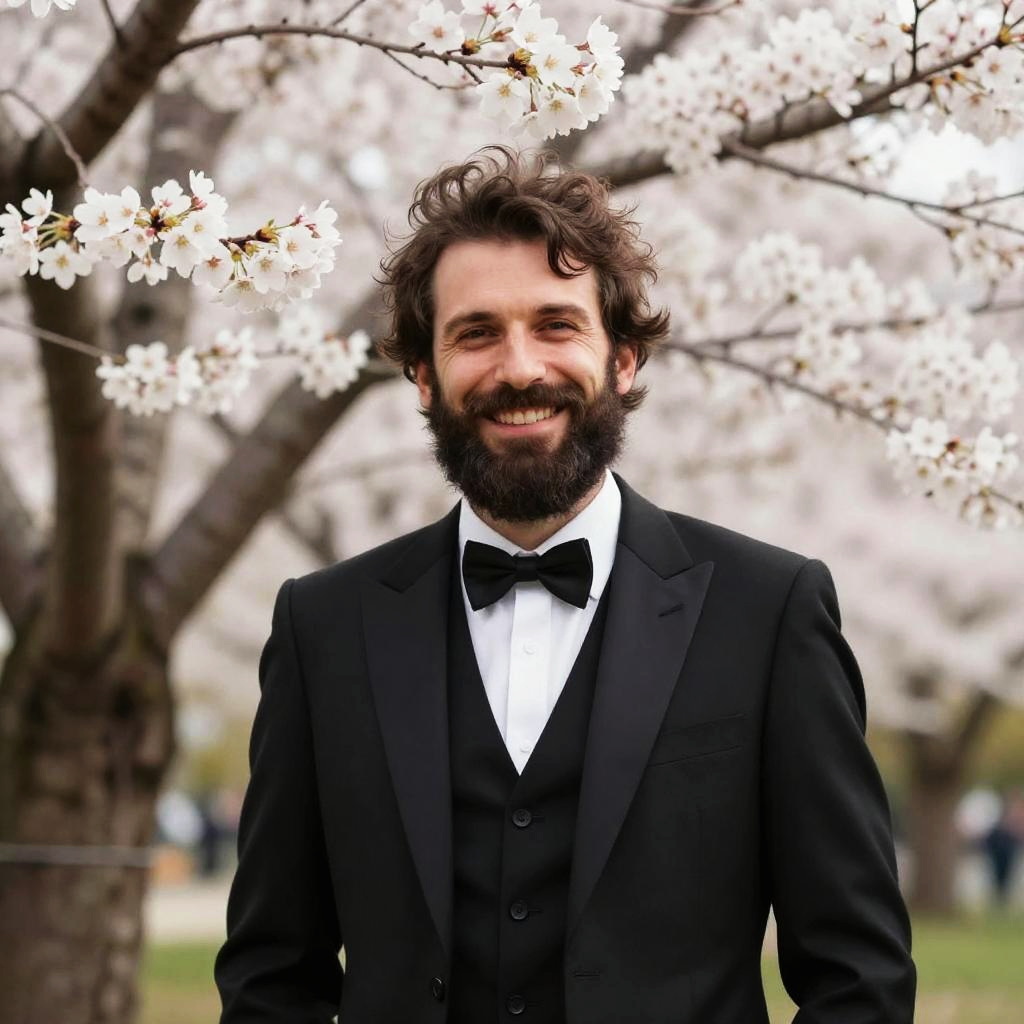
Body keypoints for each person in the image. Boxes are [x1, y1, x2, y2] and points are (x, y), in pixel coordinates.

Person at [214, 148, 916, 1023]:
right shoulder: (322, 627)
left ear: (622, 358)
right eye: (476, 333)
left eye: (556, 325)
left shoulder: (769, 611)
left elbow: (860, 976)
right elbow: (271, 976)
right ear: (423, 376)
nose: (518, 368)